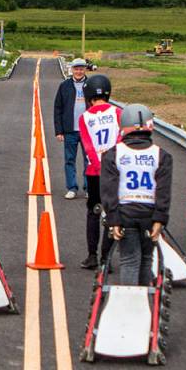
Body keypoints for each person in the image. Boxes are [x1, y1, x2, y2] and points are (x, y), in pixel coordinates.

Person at [101, 103, 173, 286]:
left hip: (125, 215)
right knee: (147, 259)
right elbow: (163, 192)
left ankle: (129, 304)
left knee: (129, 261)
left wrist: (113, 219)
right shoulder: (162, 156)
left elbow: (109, 191)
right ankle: (144, 304)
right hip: (149, 216)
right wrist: (160, 218)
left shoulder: (113, 154)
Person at [77, 74, 122, 269]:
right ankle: (106, 258)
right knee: (112, 213)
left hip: (94, 172)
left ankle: (91, 256)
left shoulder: (84, 118)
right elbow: (121, 140)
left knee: (93, 212)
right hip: (114, 170)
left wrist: (97, 165)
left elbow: (87, 147)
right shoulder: (118, 113)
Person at [53, 58, 87, 199]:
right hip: (70, 130)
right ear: (72, 69)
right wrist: (59, 131)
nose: (78, 71)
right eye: (76, 69)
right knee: (69, 160)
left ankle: (88, 188)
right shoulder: (65, 86)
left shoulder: (91, 85)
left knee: (89, 161)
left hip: (87, 131)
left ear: (85, 69)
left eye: (81, 69)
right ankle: (72, 188)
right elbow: (58, 108)